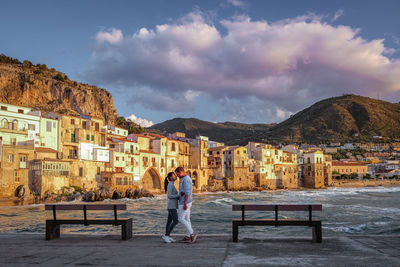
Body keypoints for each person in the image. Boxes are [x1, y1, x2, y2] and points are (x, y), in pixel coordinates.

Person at [175, 166, 197, 243]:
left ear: (180, 172)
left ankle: (192, 233)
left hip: (185, 202)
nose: (177, 176)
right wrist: (182, 193)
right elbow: (185, 191)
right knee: (187, 219)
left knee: (180, 218)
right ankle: (188, 236)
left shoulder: (186, 179)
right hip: (186, 201)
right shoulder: (185, 179)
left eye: (177, 174)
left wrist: (184, 203)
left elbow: (188, 192)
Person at [162, 172, 179, 243]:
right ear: (171, 177)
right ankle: (166, 235)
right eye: (174, 175)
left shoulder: (171, 184)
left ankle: (167, 236)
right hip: (171, 206)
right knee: (176, 220)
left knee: (169, 222)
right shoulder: (170, 184)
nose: (176, 176)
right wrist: (178, 196)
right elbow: (169, 196)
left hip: (172, 206)